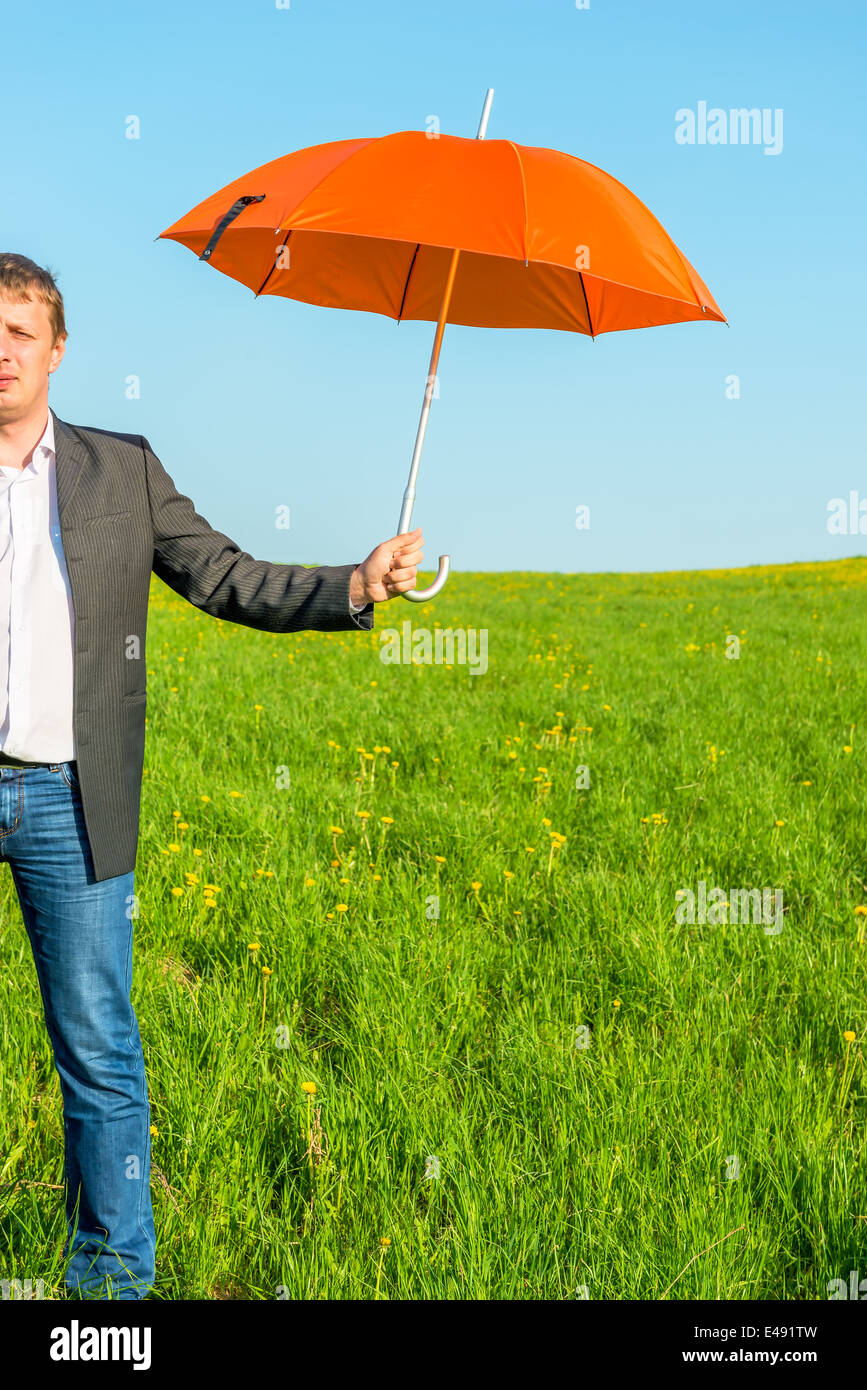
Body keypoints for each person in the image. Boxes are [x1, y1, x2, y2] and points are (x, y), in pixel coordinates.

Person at [0, 251, 424, 1299]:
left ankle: (110, 1286)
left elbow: (229, 578)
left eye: (20, 331)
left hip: (69, 795)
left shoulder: (119, 471)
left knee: (97, 1049)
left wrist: (354, 582)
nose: (0, 349)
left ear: (58, 351)